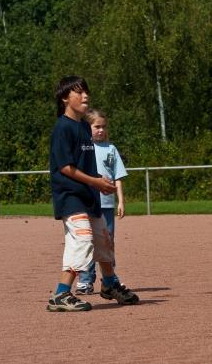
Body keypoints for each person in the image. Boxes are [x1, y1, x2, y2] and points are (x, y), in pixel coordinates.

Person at [46, 76, 139, 312]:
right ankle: (61, 294)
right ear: (66, 98)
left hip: (89, 194)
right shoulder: (62, 127)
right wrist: (96, 182)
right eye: (79, 92)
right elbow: (65, 167)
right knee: (83, 239)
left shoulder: (83, 127)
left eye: (86, 91)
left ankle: (109, 284)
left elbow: (86, 163)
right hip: (70, 196)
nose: (86, 96)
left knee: (103, 240)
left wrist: (100, 181)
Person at [76, 109, 128, 295]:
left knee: (107, 242)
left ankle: (109, 278)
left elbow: (118, 177)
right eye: (96, 126)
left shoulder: (111, 149)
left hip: (107, 204)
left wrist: (120, 201)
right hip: (88, 202)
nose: (100, 130)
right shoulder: (84, 147)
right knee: (88, 242)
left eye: (103, 127)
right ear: (87, 127)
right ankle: (85, 280)